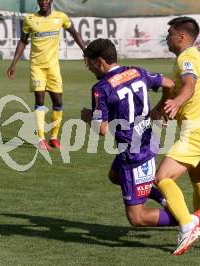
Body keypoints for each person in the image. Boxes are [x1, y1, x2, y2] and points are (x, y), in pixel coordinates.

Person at [80, 38, 188, 237]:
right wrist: (161, 106)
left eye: (90, 63)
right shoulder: (137, 71)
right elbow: (169, 84)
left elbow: (101, 129)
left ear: (101, 61)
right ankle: (165, 200)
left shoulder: (101, 89)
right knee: (114, 176)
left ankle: (188, 218)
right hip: (146, 141)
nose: (89, 68)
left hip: (135, 155)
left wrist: (87, 116)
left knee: (137, 218)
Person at [151, 16, 200, 255]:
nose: (167, 37)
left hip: (198, 131)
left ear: (182, 37)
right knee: (198, 177)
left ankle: (187, 224)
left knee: (162, 178)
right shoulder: (193, 56)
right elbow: (186, 88)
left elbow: (189, 86)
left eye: (170, 33)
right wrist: (166, 106)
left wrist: (177, 102)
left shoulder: (187, 57)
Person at [7, 0, 86, 150]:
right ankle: (41, 139)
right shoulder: (30, 19)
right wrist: (14, 63)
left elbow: (74, 33)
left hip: (53, 68)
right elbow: (23, 41)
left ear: (50, 1)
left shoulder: (61, 17)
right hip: (37, 67)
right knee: (40, 99)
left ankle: (54, 138)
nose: (43, 2)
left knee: (58, 102)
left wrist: (86, 51)